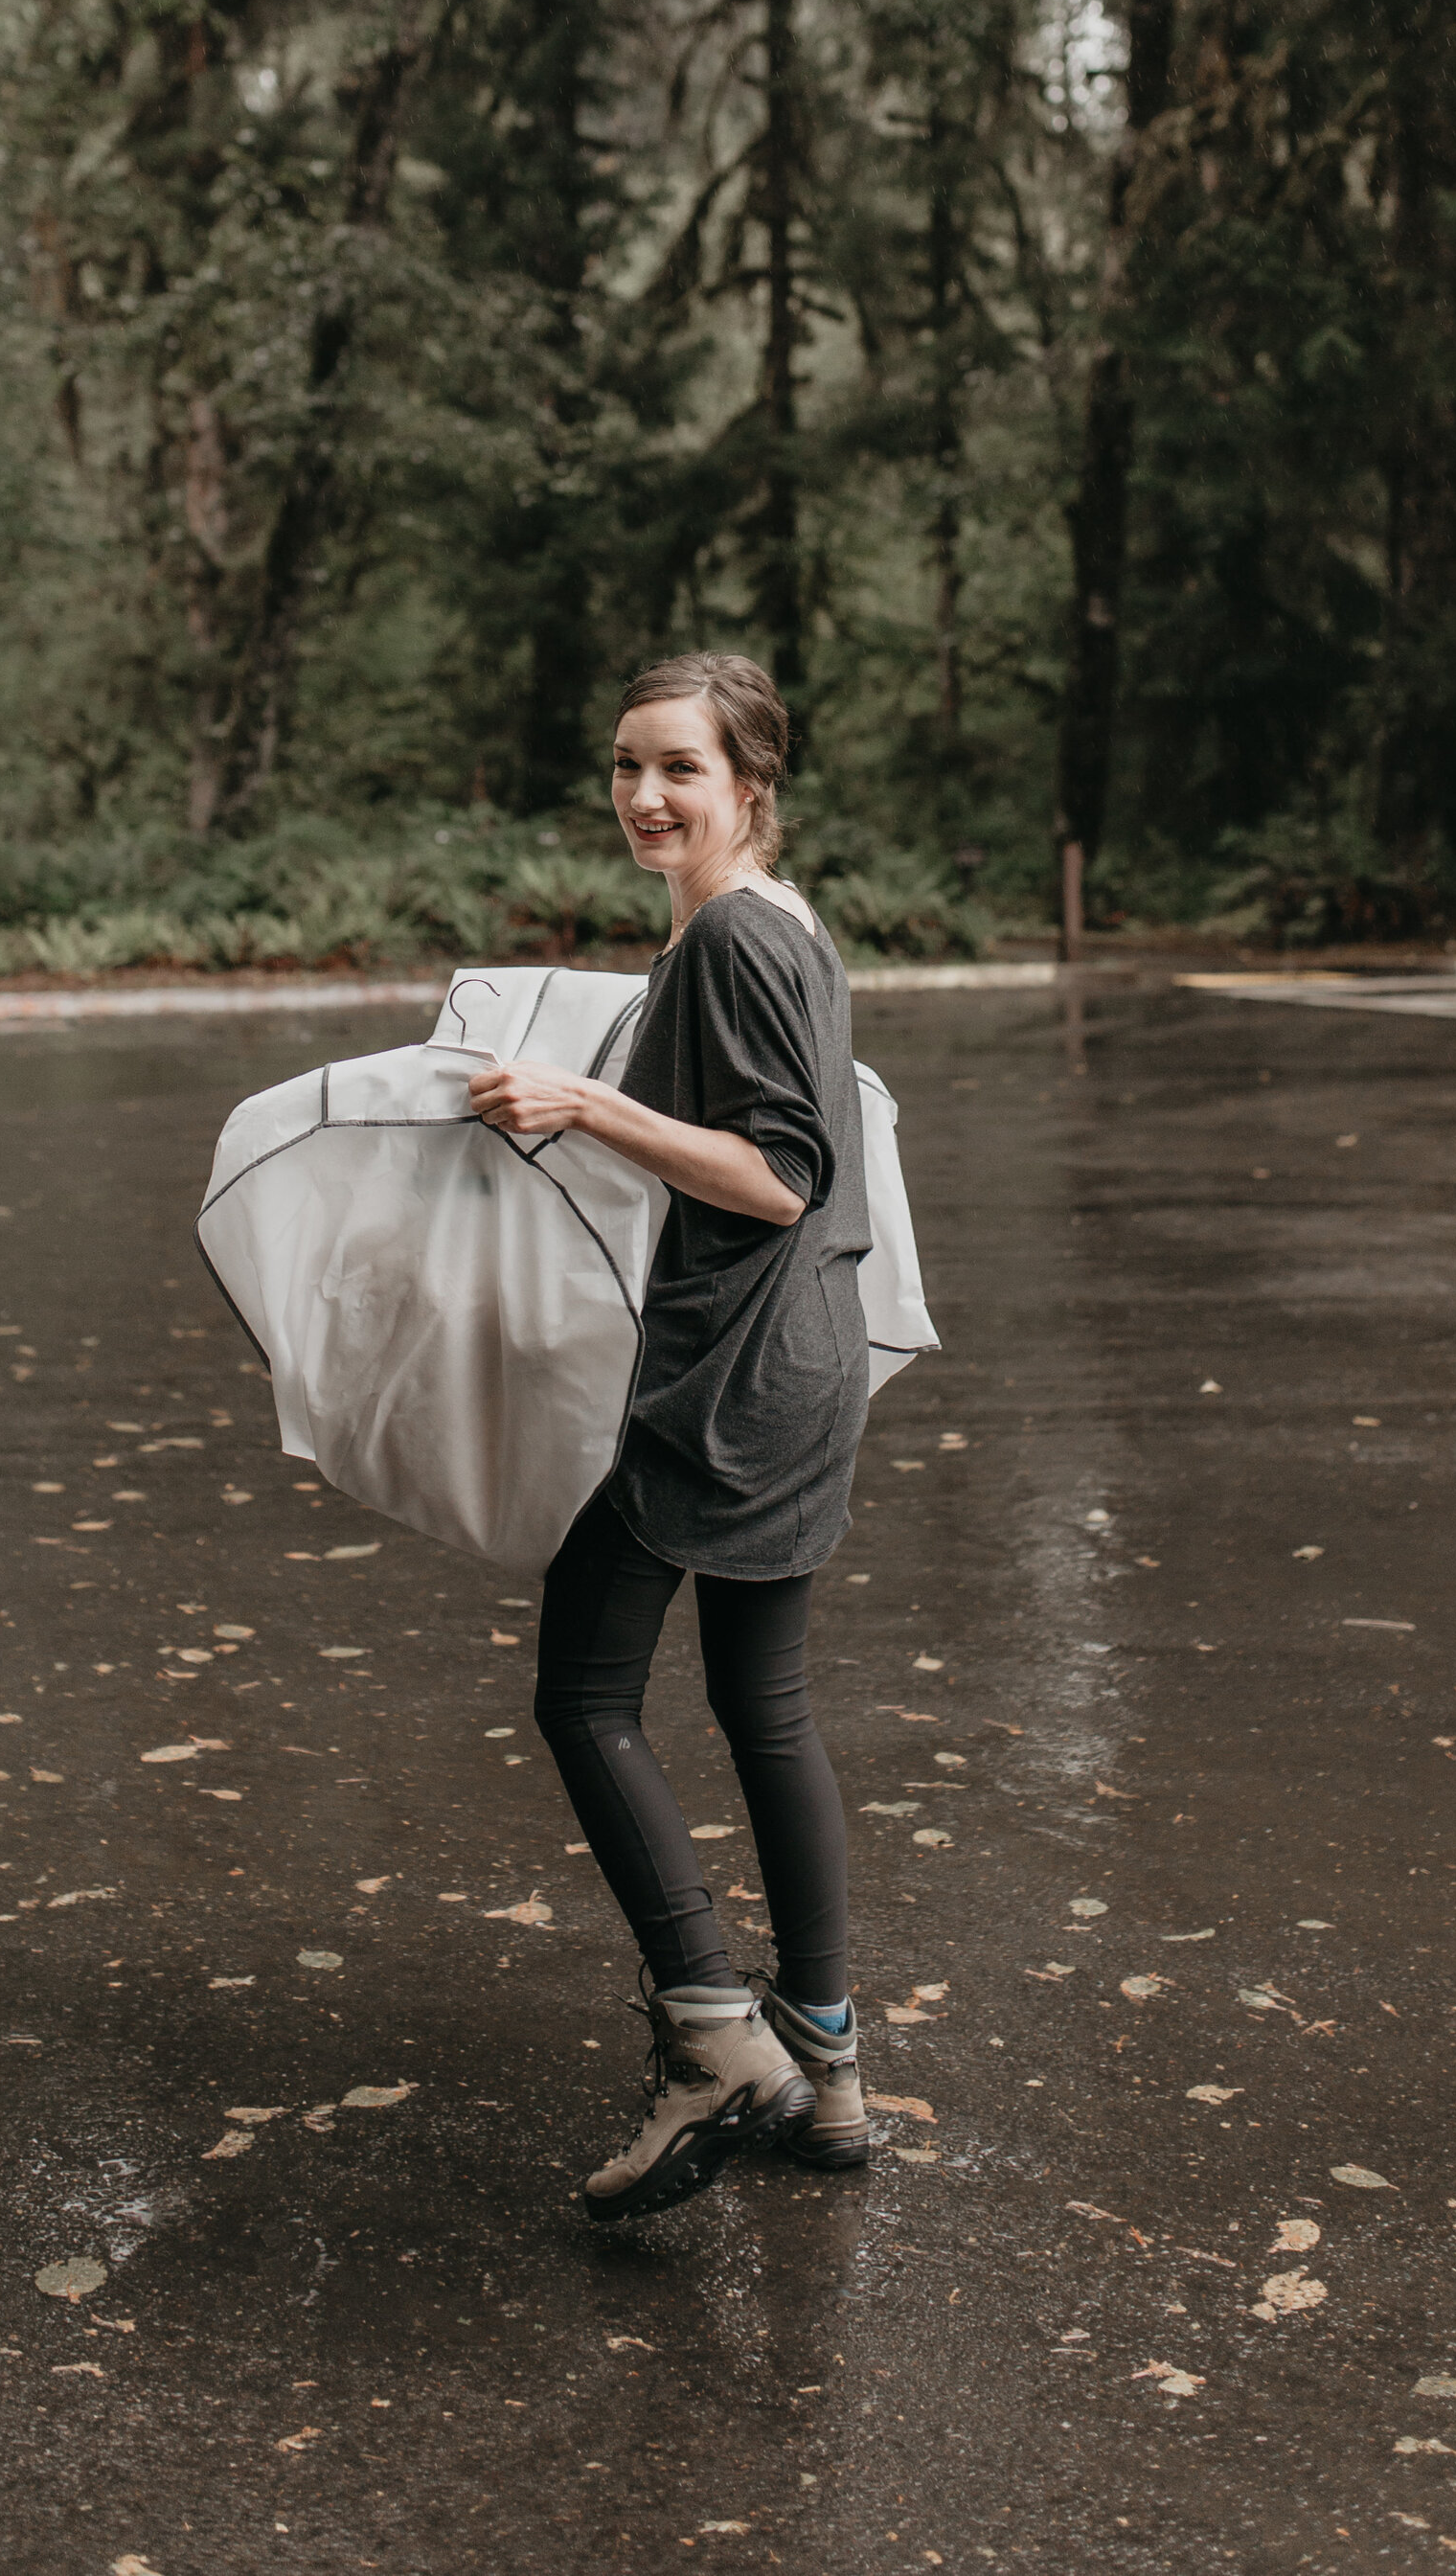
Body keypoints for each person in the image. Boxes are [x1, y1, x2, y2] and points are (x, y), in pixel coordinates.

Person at [465, 650, 874, 2222]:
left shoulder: (729, 943)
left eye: (680, 768)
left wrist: (583, 1104)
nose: (644, 795)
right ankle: (825, 2071)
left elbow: (780, 1170)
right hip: (799, 1361)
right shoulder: (770, 926)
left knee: (583, 1691)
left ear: (749, 786)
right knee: (766, 1705)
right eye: (627, 765)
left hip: (728, 1379)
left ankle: (713, 2033)